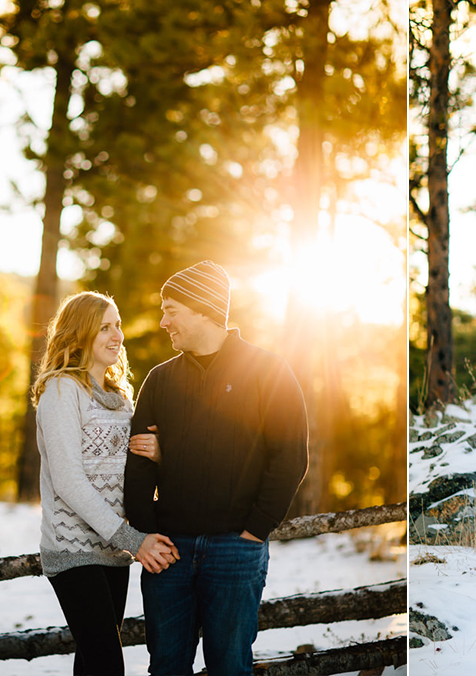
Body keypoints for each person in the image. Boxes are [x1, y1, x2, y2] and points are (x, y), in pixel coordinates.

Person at [124, 260, 309, 676]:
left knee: (229, 667)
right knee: (167, 666)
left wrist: (255, 530)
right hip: (169, 551)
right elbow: (138, 464)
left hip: (236, 549)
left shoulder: (268, 372)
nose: (162, 321)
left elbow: (290, 455)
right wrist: (146, 529)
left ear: (203, 309)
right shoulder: (160, 380)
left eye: (171, 309)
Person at [33, 291, 179, 676]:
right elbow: (67, 480)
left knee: (95, 660)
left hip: (114, 551)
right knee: (107, 661)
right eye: (105, 328)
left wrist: (161, 455)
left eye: (118, 325)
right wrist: (133, 540)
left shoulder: (120, 398)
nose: (118, 335)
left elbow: (133, 471)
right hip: (74, 550)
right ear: (80, 335)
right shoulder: (62, 391)